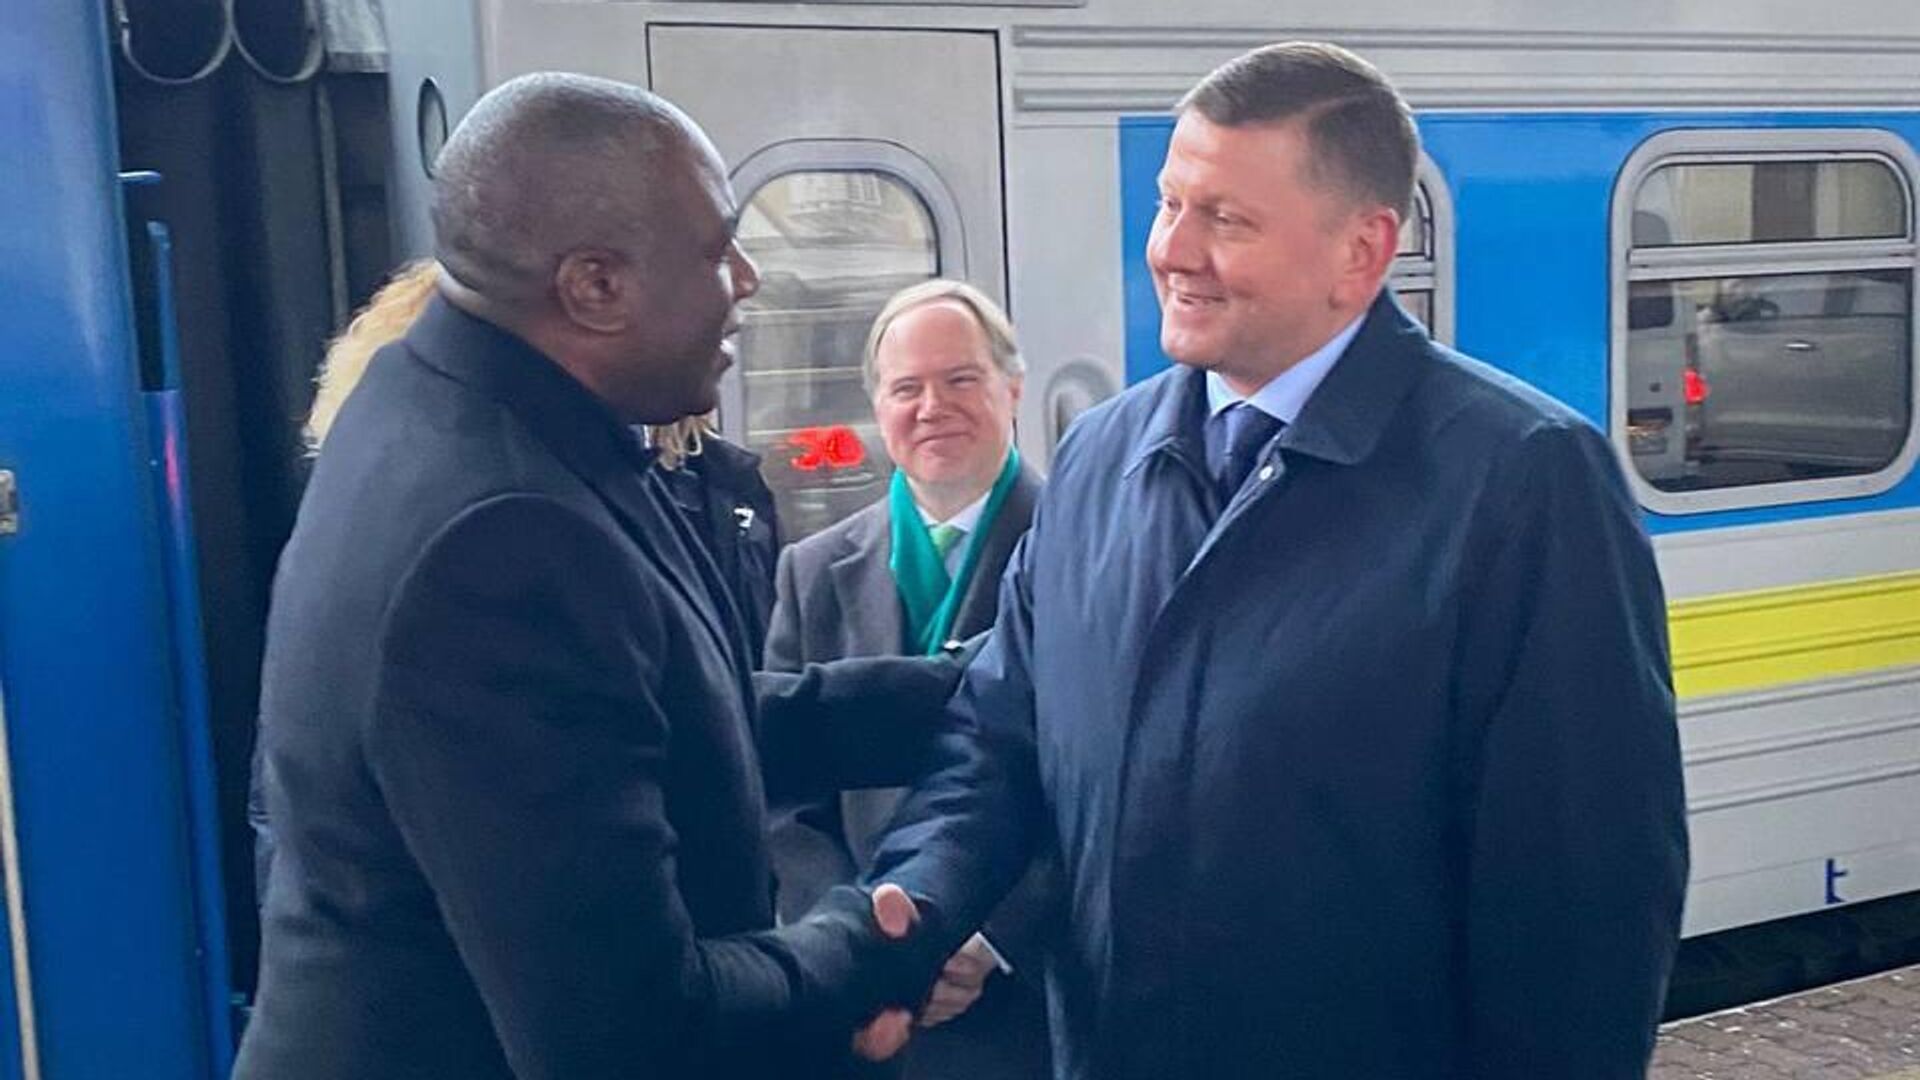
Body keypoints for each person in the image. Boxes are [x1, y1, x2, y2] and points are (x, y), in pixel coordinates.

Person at [865, 42, 1689, 1078]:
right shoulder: (1100, 459)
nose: (1173, 250)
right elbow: (998, 738)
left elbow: (1584, 901)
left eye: (1226, 219)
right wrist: (922, 905)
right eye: (1170, 203)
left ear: (1362, 251)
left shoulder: (1522, 482)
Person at [234, 72, 957, 1080]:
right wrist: (869, 946)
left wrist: (968, 692)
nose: (747, 279)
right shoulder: (500, 536)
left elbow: (657, 727)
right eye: (717, 250)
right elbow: (631, 1033)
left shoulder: (436, 407)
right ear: (595, 287)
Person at [249, 261, 785, 906]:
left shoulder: (705, 494)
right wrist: (853, 937)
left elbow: (690, 713)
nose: (743, 280)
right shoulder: (492, 539)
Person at [766, 280, 1051, 1078]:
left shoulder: (1080, 546)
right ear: (878, 408)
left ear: (1013, 389)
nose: (933, 408)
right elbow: (785, 798)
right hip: (861, 1001)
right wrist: (853, 941)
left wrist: (988, 937)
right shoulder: (811, 572)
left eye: (961, 379)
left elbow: (1110, 777)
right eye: (906, 388)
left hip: (1023, 999)